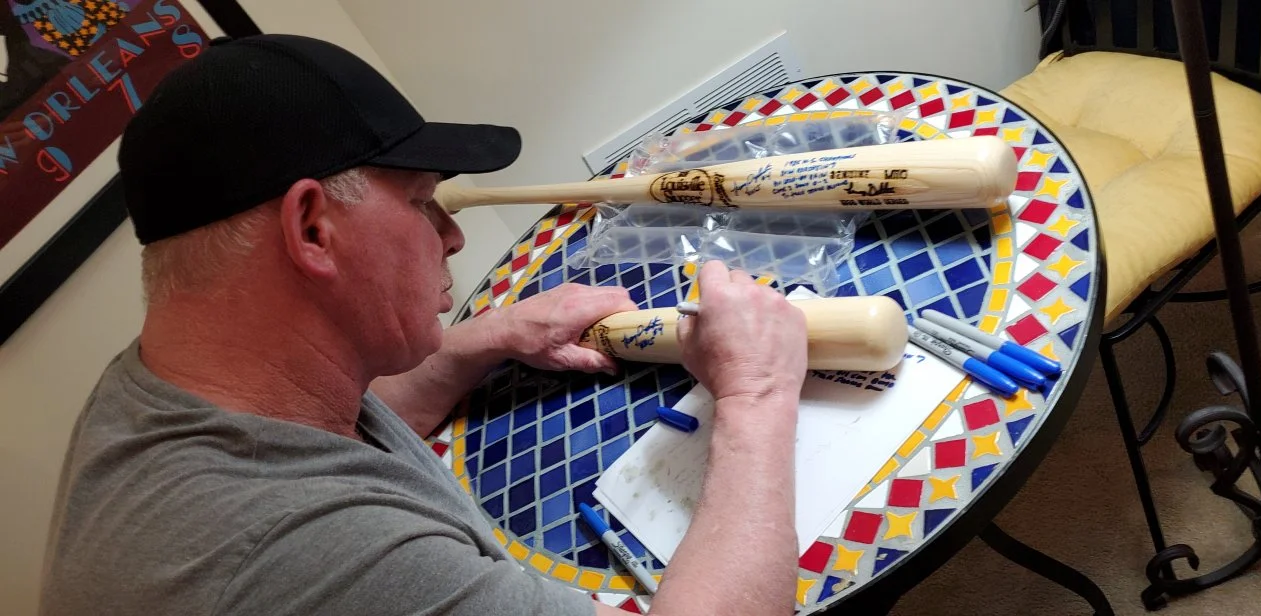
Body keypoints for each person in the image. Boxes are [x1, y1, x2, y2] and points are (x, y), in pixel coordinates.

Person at [38, 34, 809, 616]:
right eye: (419, 202)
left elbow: (318, 442)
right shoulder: (306, 555)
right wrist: (757, 393)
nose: (452, 235)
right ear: (312, 229)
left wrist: (489, 337)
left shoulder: (162, 387)